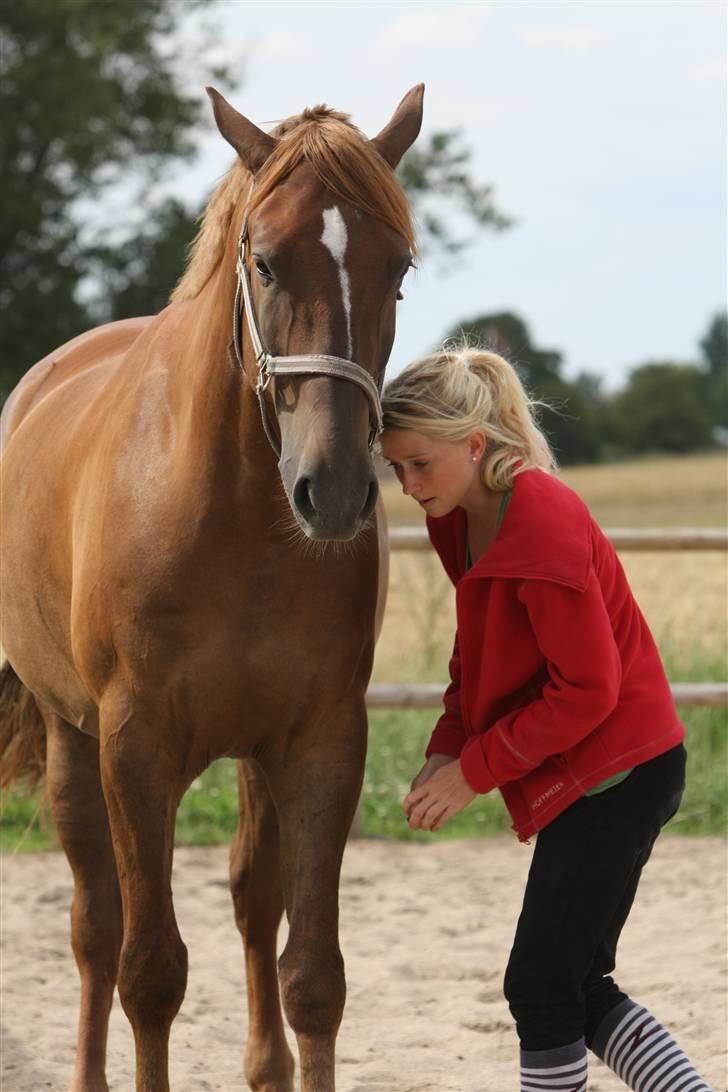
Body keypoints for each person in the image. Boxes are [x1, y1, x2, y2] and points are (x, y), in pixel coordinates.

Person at [379, 347, 712, 1092]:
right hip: (590, 770)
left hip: (622, 773)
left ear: (473, 443)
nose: (407, 485)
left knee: (542, 987)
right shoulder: (457, 521)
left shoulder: (544, 520)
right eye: (395, 468)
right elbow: (480, 652)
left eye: (420, 464)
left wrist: (474, 773)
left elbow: (588, 691)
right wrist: (446, 748)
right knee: (572, 985)